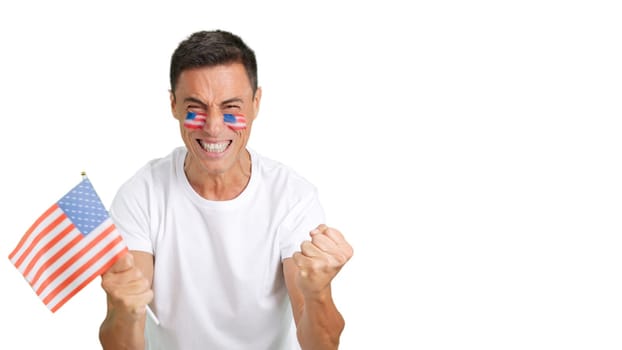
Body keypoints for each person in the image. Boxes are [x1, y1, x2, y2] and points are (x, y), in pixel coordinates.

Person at [98, 29, 353, 350]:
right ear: (174, 105)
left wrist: (318, 293)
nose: (214, 126)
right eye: (196, 107)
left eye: (231, 106)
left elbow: (321, 345)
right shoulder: (141, 194)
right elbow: (120, 345)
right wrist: (123, 310)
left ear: (256, 103)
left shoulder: (293, 198)